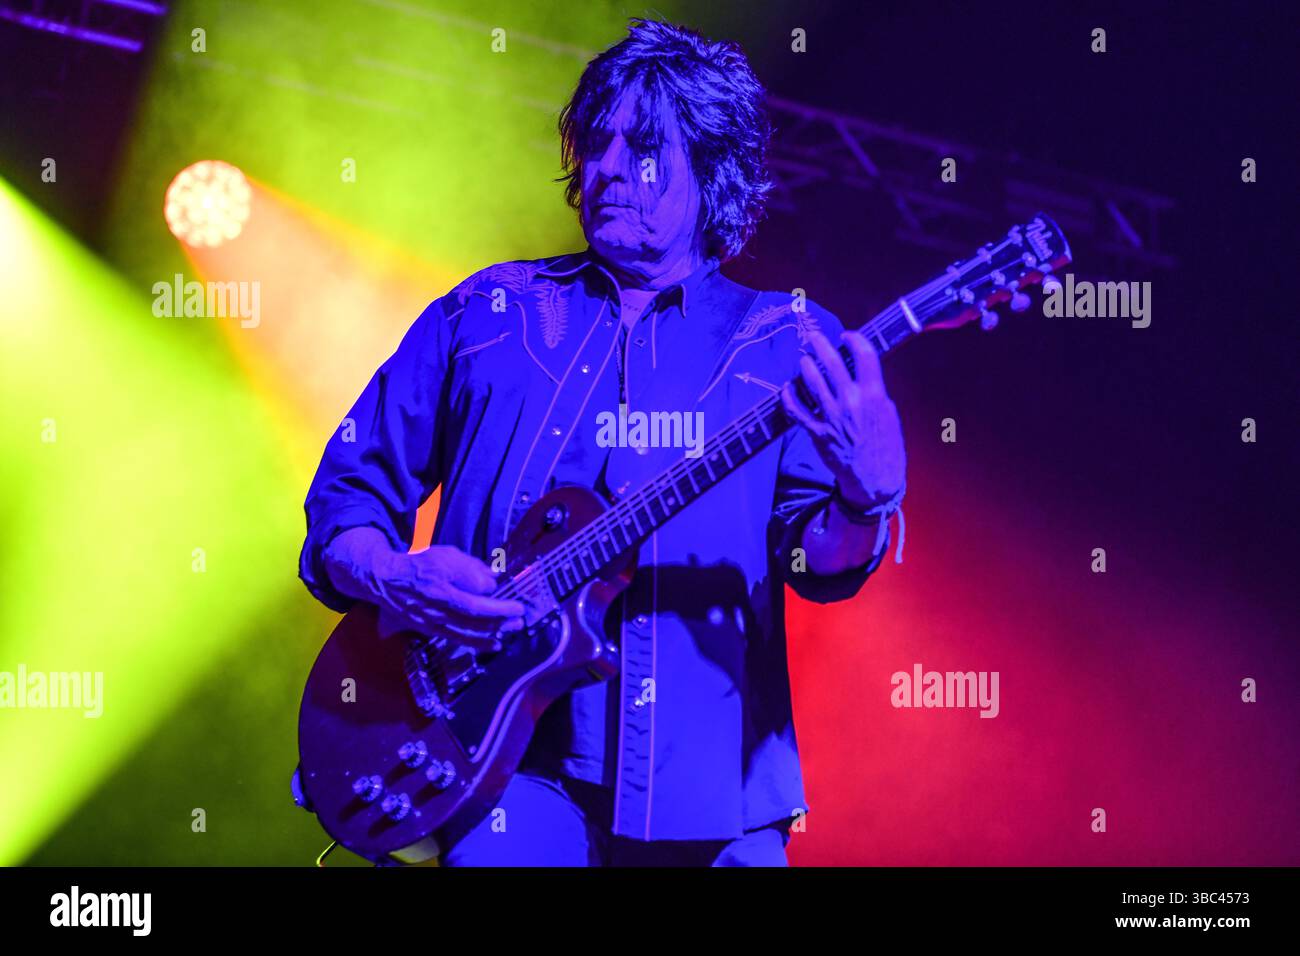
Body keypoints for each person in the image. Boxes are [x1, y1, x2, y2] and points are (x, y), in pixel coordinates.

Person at [299, 19, 906, 866]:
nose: (607, 168)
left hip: (713, 788)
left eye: (644, 148)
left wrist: (866, 500)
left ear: (713, 172)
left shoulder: (788, 340)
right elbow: (348, 497)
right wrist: (395, 577)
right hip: (497, 768)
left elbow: (817, 560)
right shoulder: (487, 313)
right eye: (595, 142)